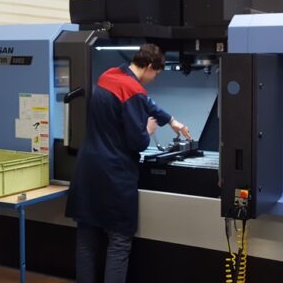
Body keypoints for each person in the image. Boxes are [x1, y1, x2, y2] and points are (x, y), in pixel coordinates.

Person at [66, 43, 191, 282]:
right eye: (156, 74)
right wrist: (148, 130)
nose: (154, 79)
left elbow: (146, 102)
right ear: (150, 66)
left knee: (86, 241)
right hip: (114, 175)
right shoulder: (134, 91)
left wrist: (171, 120)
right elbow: (138, 142)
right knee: (119, 242)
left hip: (87, 171)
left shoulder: (109, 76)